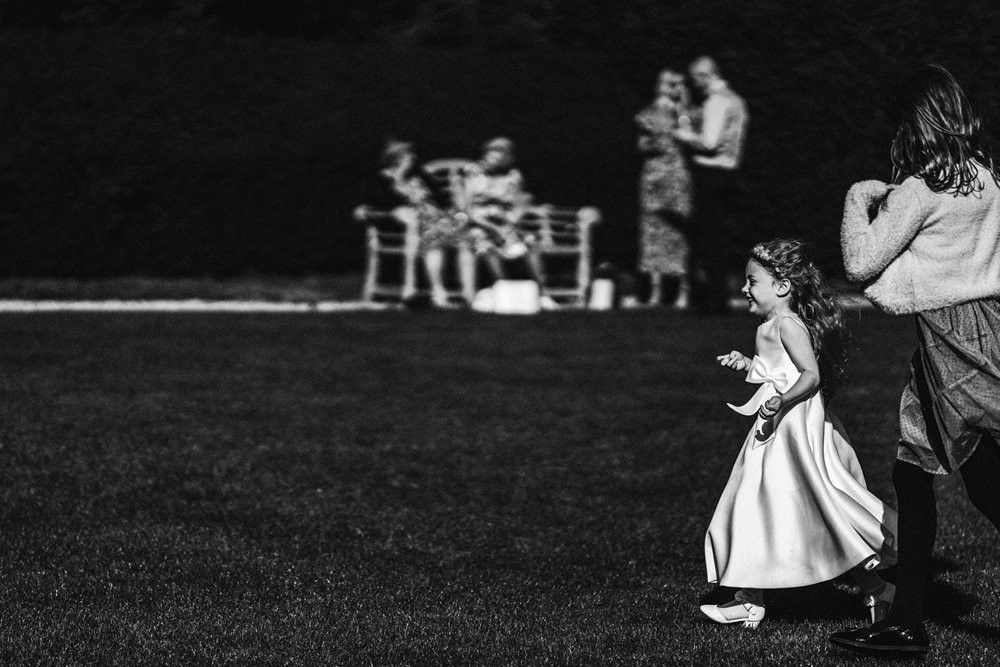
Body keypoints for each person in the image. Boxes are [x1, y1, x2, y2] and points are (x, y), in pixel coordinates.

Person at [829, 65, 1000, 658]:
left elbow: (861, 261)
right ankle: (907, 620)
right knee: (947, 473)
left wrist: (859, 196)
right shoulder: (986, 177)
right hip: (990, 327)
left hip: (949, 341)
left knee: (947, 473)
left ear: (912, 123)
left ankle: (907, 623)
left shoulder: (921, 189)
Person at [701, 239, 897, 630]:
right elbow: (780, 371)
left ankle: (876, 587)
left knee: (811, 507)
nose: (744, 289)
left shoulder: (788, 325)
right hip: (775, 426)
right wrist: (748, 365)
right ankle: (750, 598)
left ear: (782, 287)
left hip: (791, 430)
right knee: (757, 504)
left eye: (752, 281)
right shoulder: (771, 326)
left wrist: (781, 401)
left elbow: (810, 376)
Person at [673, 56, 749, 312]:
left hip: (711, 174)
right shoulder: (736, 99)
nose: (695, 85)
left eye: (696, 79)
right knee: (719, 238)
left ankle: (713, 300)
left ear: (704, 76)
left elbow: (708, 142)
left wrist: (681, 135)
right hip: (729, 172)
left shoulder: (717, 101)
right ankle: (717, 297)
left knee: (708, 239)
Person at [379, 140, 476, 306]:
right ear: (396, 158)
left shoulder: (420, 174)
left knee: (465, 241)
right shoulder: (385, 179)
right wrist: (400, 179)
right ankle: (439, 291)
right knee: (434, 241)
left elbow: (443, 199)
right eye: (407, 155)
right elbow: (382, 203)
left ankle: (469, 294)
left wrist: (461, 215)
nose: (412, 158)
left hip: (443, 215)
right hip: (421, 220)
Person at [635, 68, 695, 308]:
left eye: (675, 84)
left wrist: (682, 105)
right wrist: (655, 143)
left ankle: (683, 292)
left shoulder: (686, 113)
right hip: (654, 176)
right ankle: (655, 293)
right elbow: (641, 144)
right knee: (653, 233)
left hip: (677, 178)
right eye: (667, 83)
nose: (670, 88)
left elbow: (692, 134)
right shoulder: (649, 114)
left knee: (679, 233)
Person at [461, 137, 545, 286]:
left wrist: (513, 219)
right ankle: (502, 285)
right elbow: (467, 209)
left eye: (502, 153)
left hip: (505, 222)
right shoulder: (473, 173)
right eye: (492, 153)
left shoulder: (514, 176)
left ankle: (542, 292)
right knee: (486, 243)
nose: (497, 158)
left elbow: (520, 200)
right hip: (480, 222)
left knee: (531, 242)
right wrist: (493, 229)